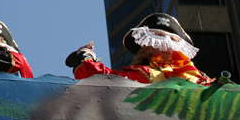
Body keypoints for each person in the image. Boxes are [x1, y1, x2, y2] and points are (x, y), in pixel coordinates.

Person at [65, 13, 213, 85]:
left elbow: (104, 79)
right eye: (157, 39)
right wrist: (87, 59)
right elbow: (105, 80)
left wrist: (86, 59)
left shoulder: (201, 78)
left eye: (171, 39)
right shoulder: (145, 75)